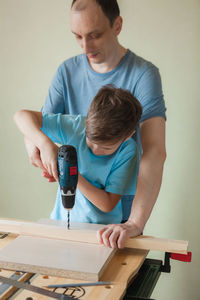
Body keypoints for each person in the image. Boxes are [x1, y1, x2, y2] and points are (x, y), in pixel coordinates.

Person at [24, 0, 166, 248]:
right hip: (76, 207)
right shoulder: (67, 71)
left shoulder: (144, 74)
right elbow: (35, 124)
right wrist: (40, 147)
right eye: (77, 36)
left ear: (117, 25)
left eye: (95, 35)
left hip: (119, 211)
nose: (85, 46)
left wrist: (134, 223)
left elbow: (154, 151)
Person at [15, 85, 142, 224]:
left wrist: (70, 174)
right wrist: (46, 145)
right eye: (90, 141)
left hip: (101, 229)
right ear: (87, 122)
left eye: (106, 148)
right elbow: (21, 115)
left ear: (128, 135)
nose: (95, 150)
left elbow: (108, 203)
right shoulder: (77, 126)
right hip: (60, 222)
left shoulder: (128, 151)